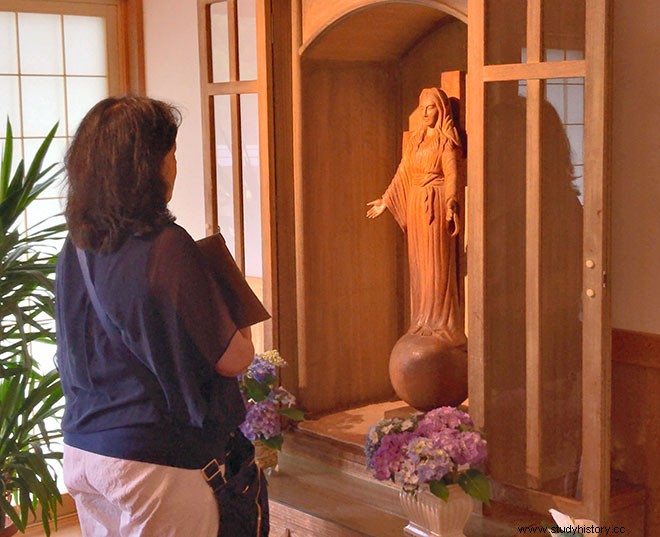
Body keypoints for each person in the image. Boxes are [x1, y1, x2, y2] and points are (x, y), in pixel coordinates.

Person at [55, 95, 255, 536]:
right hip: (152, 460)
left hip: (85, 451)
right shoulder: (166, 246)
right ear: (149, 166)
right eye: (172, 153)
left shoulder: (78, 245)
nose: (175, 165)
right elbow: (233, 358)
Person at [367, 87, 466, 347]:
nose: (424, 112)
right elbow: (403, 172)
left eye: (430, 107)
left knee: (436, 264)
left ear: (441, 110)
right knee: (420, 265)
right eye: (421, 107)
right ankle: (422, 319)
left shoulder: (446, 141)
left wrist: (451, 202)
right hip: (415, 204)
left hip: (435, 201)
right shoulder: (417, 140)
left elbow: (453, 173)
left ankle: (440, 322)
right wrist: (387, 199)